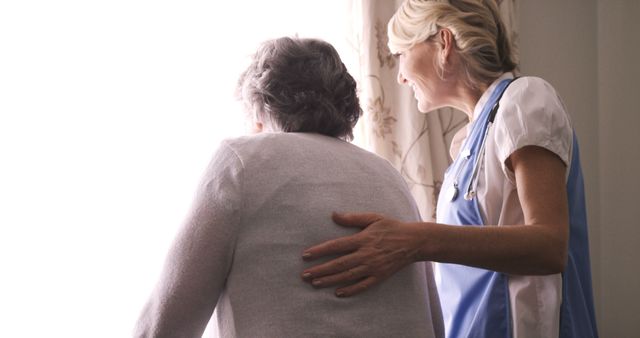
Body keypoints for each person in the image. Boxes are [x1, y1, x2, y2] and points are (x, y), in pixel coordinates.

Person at [300, 1, 598, 338]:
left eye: (401, 53)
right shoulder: (466, 143)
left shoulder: (525, 100)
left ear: (443, 43)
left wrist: (416, 240)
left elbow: (549, 245)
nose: (399, 75)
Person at [134, 37, 443, 338]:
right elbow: (434, 320)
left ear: (258, 109)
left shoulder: (242, 161)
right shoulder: (389, 175)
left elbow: (164, 323)